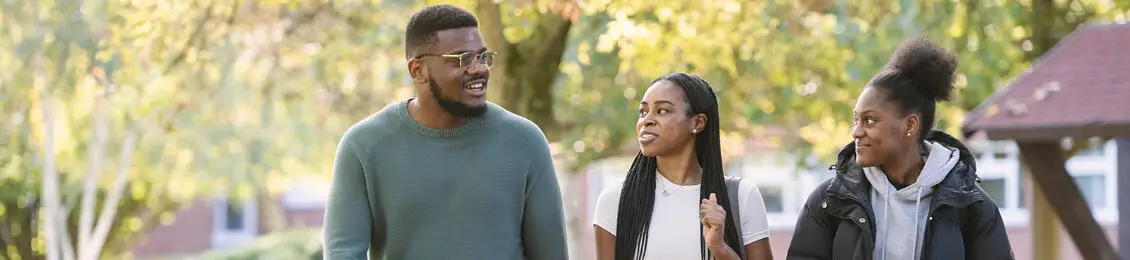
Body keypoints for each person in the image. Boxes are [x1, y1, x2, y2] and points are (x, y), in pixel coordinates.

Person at [322, 4, 568, 260]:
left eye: (484, 57)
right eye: (462, 59)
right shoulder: (363, 146)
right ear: (417, 70)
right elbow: (343, 253)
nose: (479, 69)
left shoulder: (525, 142)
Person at [786, 36, 1014, 260]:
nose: (856, 131)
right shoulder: (830, 201)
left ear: (909, 125)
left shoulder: (971, 206)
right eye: (856, 120)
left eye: (869, 120)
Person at [593, 73, 774, 260]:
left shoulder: (740, 197)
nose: (647, 120)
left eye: (662, 110)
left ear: (697, 122)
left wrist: (719, 248)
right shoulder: (615, 200)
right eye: (643, 112)